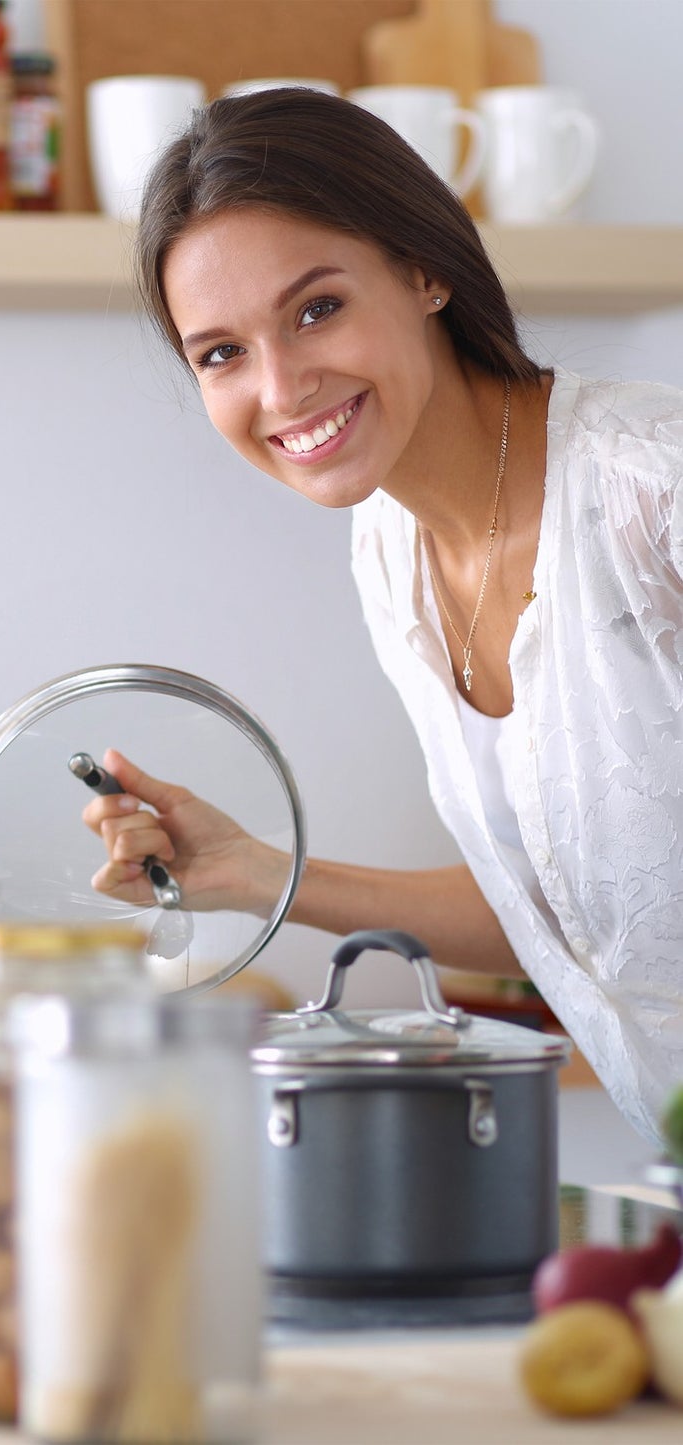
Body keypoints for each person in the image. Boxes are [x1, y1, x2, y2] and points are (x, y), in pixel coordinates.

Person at [82, 88, 683, 1147]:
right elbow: (577, 911)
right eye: (220, 352)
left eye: (316, 308)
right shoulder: (389, 553)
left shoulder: (653, 487)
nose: (280, 386)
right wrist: (255, 873)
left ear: (423, 269)